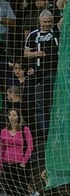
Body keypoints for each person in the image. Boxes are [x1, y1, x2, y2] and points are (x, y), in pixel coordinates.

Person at [23, 9, 60, 139]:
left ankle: (54, 130)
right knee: (40, 104)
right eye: (44, 22)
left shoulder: (56, 31)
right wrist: (35, 54)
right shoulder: (33, 35)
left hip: (55, 73)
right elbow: (25, 53)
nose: (47, 24)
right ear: (39, 21)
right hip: (39, 74)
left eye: (49, 22)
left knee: (52, 103)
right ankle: (44, 132)